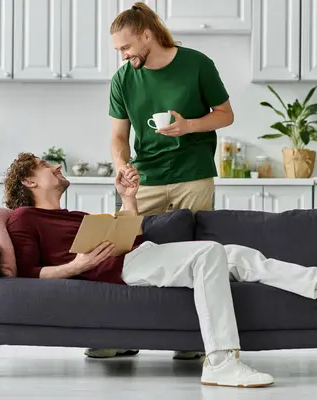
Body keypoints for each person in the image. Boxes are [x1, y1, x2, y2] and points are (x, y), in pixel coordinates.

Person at [4, 153, 317, 388]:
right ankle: (221, 361)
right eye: (44, 165)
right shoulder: (23, 217)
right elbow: (25, 272)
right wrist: (77, 266)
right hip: (123, 267)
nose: (56, 166)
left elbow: (129, 231)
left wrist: (128, 200)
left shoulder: (72, 214)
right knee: (208, 253)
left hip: (139, 253)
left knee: (236, 255)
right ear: (29, 181)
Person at [107, 2, 233, 360]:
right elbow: (118, 136)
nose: (123, 56)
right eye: (118, 50)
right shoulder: (123, 78)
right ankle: (123, 334)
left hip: (193, 175)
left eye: (126, 47)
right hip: (144, 178)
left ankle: (190, 339)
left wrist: (189, 125)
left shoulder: (197, 64)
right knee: (126, 251)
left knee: (194, 256)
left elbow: (226, 115)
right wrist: (121, 164)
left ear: (147, 35)